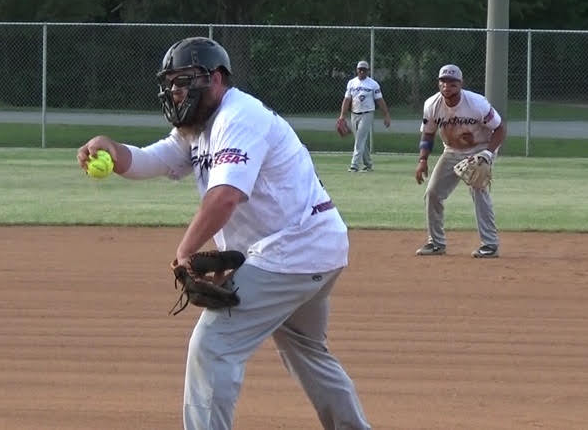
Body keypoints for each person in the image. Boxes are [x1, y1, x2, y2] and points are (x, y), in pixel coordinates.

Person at [77, 37, 370, 430]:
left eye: (184, 81)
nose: (175, 91)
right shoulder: (199, 129)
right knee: (307, 351)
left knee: (213, 346)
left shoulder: (238, 117)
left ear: (215, 79)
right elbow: (153, 159)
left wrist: (184, 252)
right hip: (311, 246)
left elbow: (225, 197)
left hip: (293, 250)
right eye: (171, 83)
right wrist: (113, 150)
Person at [414, 64, 508, 258]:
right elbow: (428, 134)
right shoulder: (432, 105)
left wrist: (488, 154)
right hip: (452, 150)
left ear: (460, 84)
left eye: (452, 82)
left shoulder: (476, 103)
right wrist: (422, 159)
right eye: (443, 81)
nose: (447, 85)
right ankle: (436, 243)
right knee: (432, 193)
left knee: (478, 190)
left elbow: (499, 128)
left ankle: (490, 245)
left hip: (481, 149)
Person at [337, 60, 391, 172]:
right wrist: (342, 115)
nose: (362, 71)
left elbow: (380, 100)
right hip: (354, 113)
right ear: (357, 70)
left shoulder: (373, 84)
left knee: (360, 139)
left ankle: (354, 165)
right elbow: (347, 100)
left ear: (368, 71)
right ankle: (368, 165)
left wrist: (386, 115)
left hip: (367, 114)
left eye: (364, 70)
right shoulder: (351, 83)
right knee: (361, 140)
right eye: (360, 69)